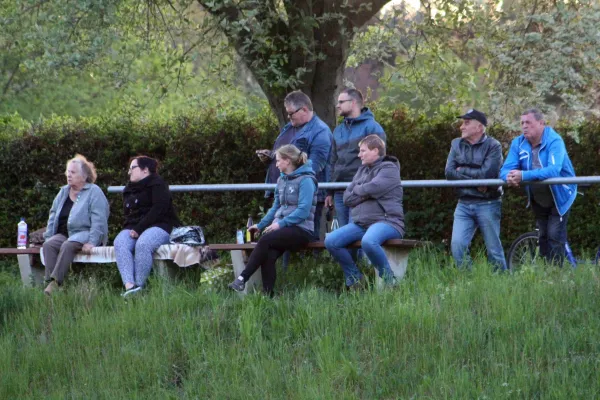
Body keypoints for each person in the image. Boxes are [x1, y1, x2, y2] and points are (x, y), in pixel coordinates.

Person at [229, 144, 317, 296]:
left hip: (302, 229)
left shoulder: (306, 180)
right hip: (282, 229)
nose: (276, 164)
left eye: (278, 161)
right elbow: (275, 207)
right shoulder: (281, 180)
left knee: (265, 240)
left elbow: (303, 211)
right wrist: (261, 225)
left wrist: (280, 224)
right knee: (268, 253)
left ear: (287, 161)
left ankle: (242, 278)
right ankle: (268, 295)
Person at [324, 135, 405, 289]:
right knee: (331, 241)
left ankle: (390, 281)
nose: (359, 155)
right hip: (362, 224)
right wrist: (365, 192)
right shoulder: (362, 170)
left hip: (387, 222)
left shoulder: (389, 168)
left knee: (369, 241)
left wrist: (359, 190)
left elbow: (374, 187)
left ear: (375, 151)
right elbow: (347, 198)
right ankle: (355, 278)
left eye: (362, 151)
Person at [500, 108, 577, 265]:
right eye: (522, 123)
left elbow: (553, 170)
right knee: (542, 236)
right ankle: (546, 274)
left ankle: (556, 275)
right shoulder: (518, 143)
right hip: (539, 198)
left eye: (528, 122)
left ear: (541, 123)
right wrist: (509, 177)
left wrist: (523, 175)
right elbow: (505, 169)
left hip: (560, 195)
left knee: (554, 234)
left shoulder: (555, 140)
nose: (524, 126)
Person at [255, 90, 332, 241]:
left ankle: (312, 264)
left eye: (291, 114)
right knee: (280, 237)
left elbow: (316, 165)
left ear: (304, 109)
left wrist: (292, 177)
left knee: (311, 239)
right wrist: (271, 157)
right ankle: (286, 265)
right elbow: (288, 156)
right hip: (286, 192)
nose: (289, 117)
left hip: (307, 194)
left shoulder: (320, 131)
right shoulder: (291, 127)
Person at [445, 109, 507, 271]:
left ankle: (502, 285)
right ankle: (469, 283)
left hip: (488, 202)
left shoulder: (493, 146)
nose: (461, 127)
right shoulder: (456, 144)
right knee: (457, 246)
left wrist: (462, 171)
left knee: (494, 250)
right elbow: (449, 173)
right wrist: (476, 180)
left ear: (479, 127)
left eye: (466, 123)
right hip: (463, 203)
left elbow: (487, 174)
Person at [42, 154, 109, 295]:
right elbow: (53, 215)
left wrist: (92, 241)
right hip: (64, 234)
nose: (69, 175)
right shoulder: (63, 191)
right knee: (48, 245)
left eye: (73, 172)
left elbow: (99, 219)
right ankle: (56, 285)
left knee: (67, 245)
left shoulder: (94, 191)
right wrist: (48, 236)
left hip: (84, 233)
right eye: (68, 172)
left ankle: (55, 283)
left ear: (84, 176)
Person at [114, 156, 181, 296]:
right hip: (134, 227)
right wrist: (134, 228)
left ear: (145, 170)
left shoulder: (158, 184)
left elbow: (159, 209)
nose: (129, 172)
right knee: (120, 242)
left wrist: (139, 228)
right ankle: (129, 287)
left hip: (160, 225)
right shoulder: (128, 189)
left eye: (133, 168)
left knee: (144, 243)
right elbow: (129, 215)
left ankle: (139, 286)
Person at [325, 88, 385, 227]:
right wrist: (329, 190)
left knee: (357, 233)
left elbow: (380, 162)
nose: (337, 105)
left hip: (362, 190)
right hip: (340, 191)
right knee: (344, 238)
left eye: (341, 102)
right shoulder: (338, 130)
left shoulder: (373, 128)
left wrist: (369, 188)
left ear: (352, 103)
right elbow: (332, 161)